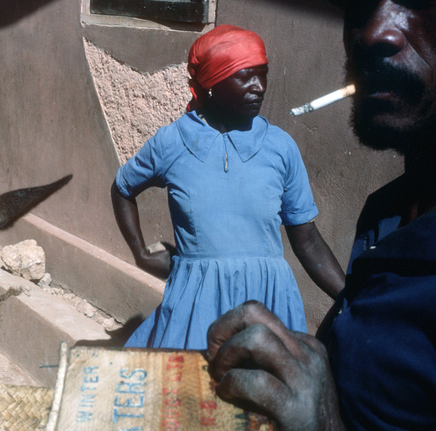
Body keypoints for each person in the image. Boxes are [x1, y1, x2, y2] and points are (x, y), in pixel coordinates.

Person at [207, 0, 436, 431]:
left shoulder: (281, 148)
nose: (373, 32)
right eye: (359, 4)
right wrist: (307, 359)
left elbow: (304, 234)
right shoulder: (388, 212)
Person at [111, 25, 345, 350]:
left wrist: (351, 298)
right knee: (192, 393)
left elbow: (307, 240)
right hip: (197, 300)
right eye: (246, 77)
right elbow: (123, 188)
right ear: (211, 84)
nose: (259, 87)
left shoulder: (280, 146)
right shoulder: (173, 143)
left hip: (268, 302)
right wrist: (139, 254)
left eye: (263, 75)